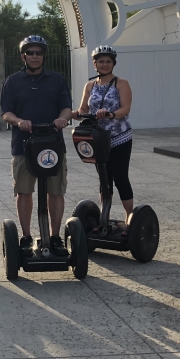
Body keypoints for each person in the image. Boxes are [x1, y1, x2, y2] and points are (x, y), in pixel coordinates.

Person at [0, 35, 72, 255]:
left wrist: (62, 119)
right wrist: (19, 121)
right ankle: (26, 236)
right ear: (23, 56)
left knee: (55, 191)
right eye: (30, 52)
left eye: (38, 52)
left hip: (52, 144)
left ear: (44, 56)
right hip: (23, 145)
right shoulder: (13, 81)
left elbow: (67, 108)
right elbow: (6, 113)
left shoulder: (57, 80)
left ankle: (55, 237)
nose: (34, 56)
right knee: (24, 191)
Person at [71, 45, 134, 230]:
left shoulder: (121, 83)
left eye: (108, 61)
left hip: (119, 137)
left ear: (113, 63)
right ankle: (104, 216)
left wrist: (111, 114)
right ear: (95, 64)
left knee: (120, 177)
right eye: (101, 61)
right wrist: (76, 114)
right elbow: (84, 109)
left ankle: (130, 218)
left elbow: (126, 108)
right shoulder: (90, 85)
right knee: (104, 178)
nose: (104, 64)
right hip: (98, 138)